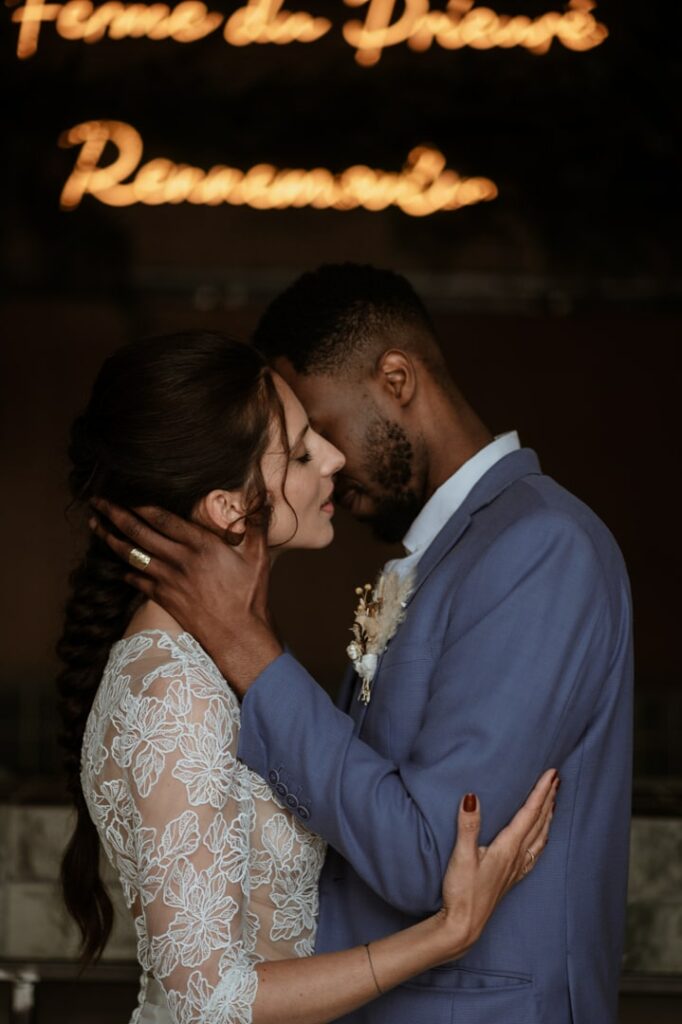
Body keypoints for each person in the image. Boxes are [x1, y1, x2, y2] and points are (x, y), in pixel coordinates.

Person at [92, 264, 633, 1024]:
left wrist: (252, 651)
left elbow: (425, 855)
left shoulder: (539, 547)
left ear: (396, 378)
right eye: (301, 445)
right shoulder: (437, 557)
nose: (331, 460)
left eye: (319, 424)